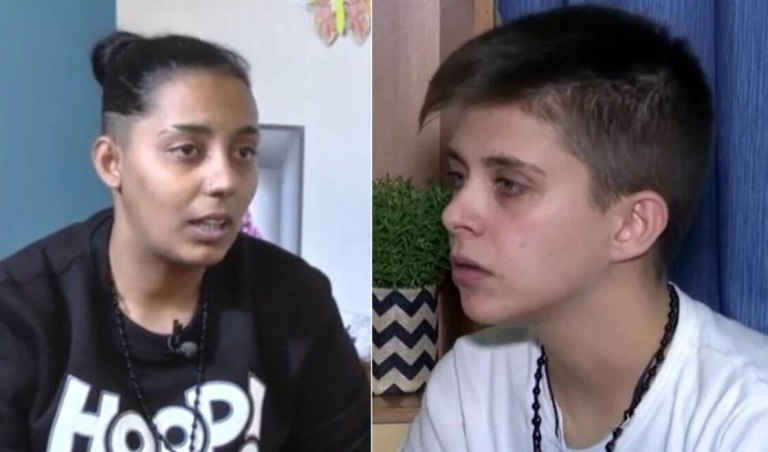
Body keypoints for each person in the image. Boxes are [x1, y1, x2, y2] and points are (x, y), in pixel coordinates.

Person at [401, 5, 768, 452]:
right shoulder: (469, 386)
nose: (454, 213)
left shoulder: (748, 418)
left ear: (632, 225)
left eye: (510, 185)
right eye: (459, 177)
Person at [0, 31, 370, 452]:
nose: (225, 181)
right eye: (187, 150)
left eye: (244, 152)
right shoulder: (22, 312)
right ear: (111, 162)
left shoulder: (295, 301)